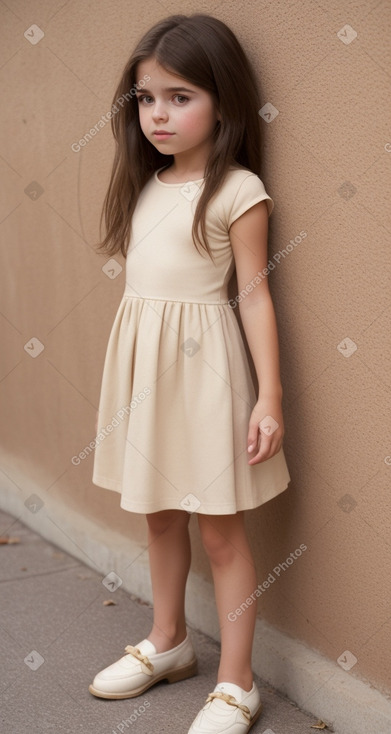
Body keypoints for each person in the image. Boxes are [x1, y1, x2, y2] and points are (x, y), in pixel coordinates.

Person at [89, 13, 291, 734]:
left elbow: (254, 293)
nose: (158, 115)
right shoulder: (144, 183)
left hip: (207, 383)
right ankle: (168, 640)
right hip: (150, 379)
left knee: (219, 533)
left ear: (222, 101)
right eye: (146, 99)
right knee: (159, 513)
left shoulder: (236, 190)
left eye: (179, 96)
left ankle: (236, 683)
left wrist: (267, 395)